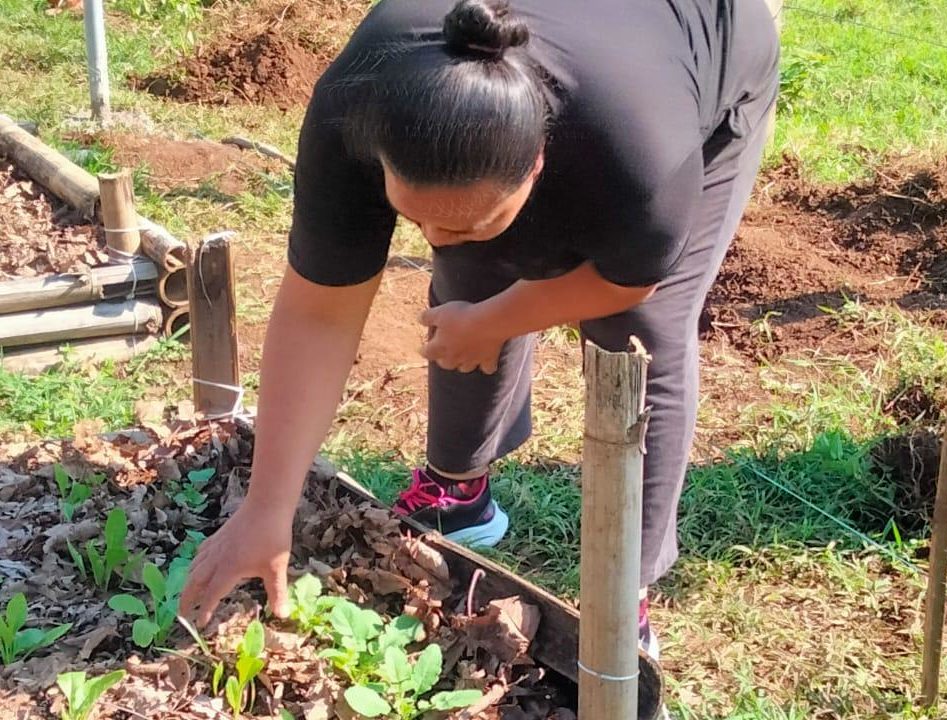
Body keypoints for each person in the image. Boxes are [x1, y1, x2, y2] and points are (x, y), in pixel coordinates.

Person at [180, 0, 780, 661]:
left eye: (464, 221)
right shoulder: (353, 105)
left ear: (537, 167)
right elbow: (320, 311)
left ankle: (623, 594)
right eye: (418, 217)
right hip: (560, 69)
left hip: (703, 47)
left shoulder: (641, 155)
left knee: (635, 336)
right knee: (471, 265)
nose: (433, 241)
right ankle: (458, 493)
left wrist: (494, 320)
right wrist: (268, 509)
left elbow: (630, 283)